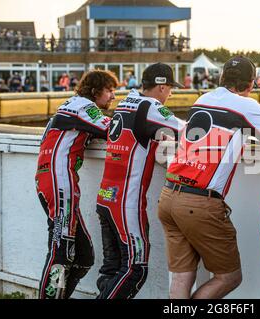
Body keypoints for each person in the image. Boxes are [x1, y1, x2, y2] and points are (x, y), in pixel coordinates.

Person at [157, 56, 260, 299]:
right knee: (229, 277)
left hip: (168, 196)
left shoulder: (203, 99)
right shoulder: (246, 105)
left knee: (182, 277)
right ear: (250, 85)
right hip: (200, 202)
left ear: (221, 78)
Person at [95, 63, 185, 299]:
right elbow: (189, 131)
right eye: (170, 88)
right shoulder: (150, 105)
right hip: (126, 202)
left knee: (111, 269)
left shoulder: (126, 101)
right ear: (162, 87)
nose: (171, 94)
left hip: (106, 197)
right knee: (135, 269)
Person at [35, 70, 117, 299]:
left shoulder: (70, 105)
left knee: (83, 256)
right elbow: (114, 131)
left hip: (50, 179)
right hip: (59, 181)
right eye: (110, 90)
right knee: (62, 250)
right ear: (94, 91)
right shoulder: (84, 106)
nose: (113, 97)